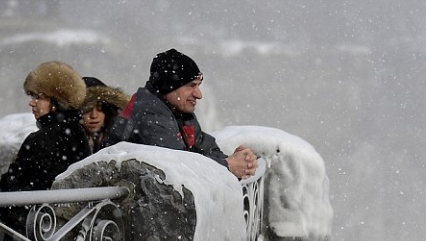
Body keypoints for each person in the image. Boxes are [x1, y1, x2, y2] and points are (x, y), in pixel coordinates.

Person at [104, 48, 256, 179]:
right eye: (191, 86)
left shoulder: (179, 112)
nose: (198, 94)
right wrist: (227, 165)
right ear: (168, 87)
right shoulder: (149, 113)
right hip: (128, 208)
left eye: (198, 86)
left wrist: (234, 161)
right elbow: (176, 168)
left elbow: (204, 149)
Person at [0, 61, 91, 191]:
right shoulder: (77, 132)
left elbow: (18, 186)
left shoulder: (43, 139)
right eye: (32, 96)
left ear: (58, 101)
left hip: (41, 210)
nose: (32, 103)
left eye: (38, 97)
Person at [80, 76, 129, 153]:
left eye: (100, 108)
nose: (94, 116)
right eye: (87, 109)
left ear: (108, 111)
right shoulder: (66, 143)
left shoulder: (122, 140)